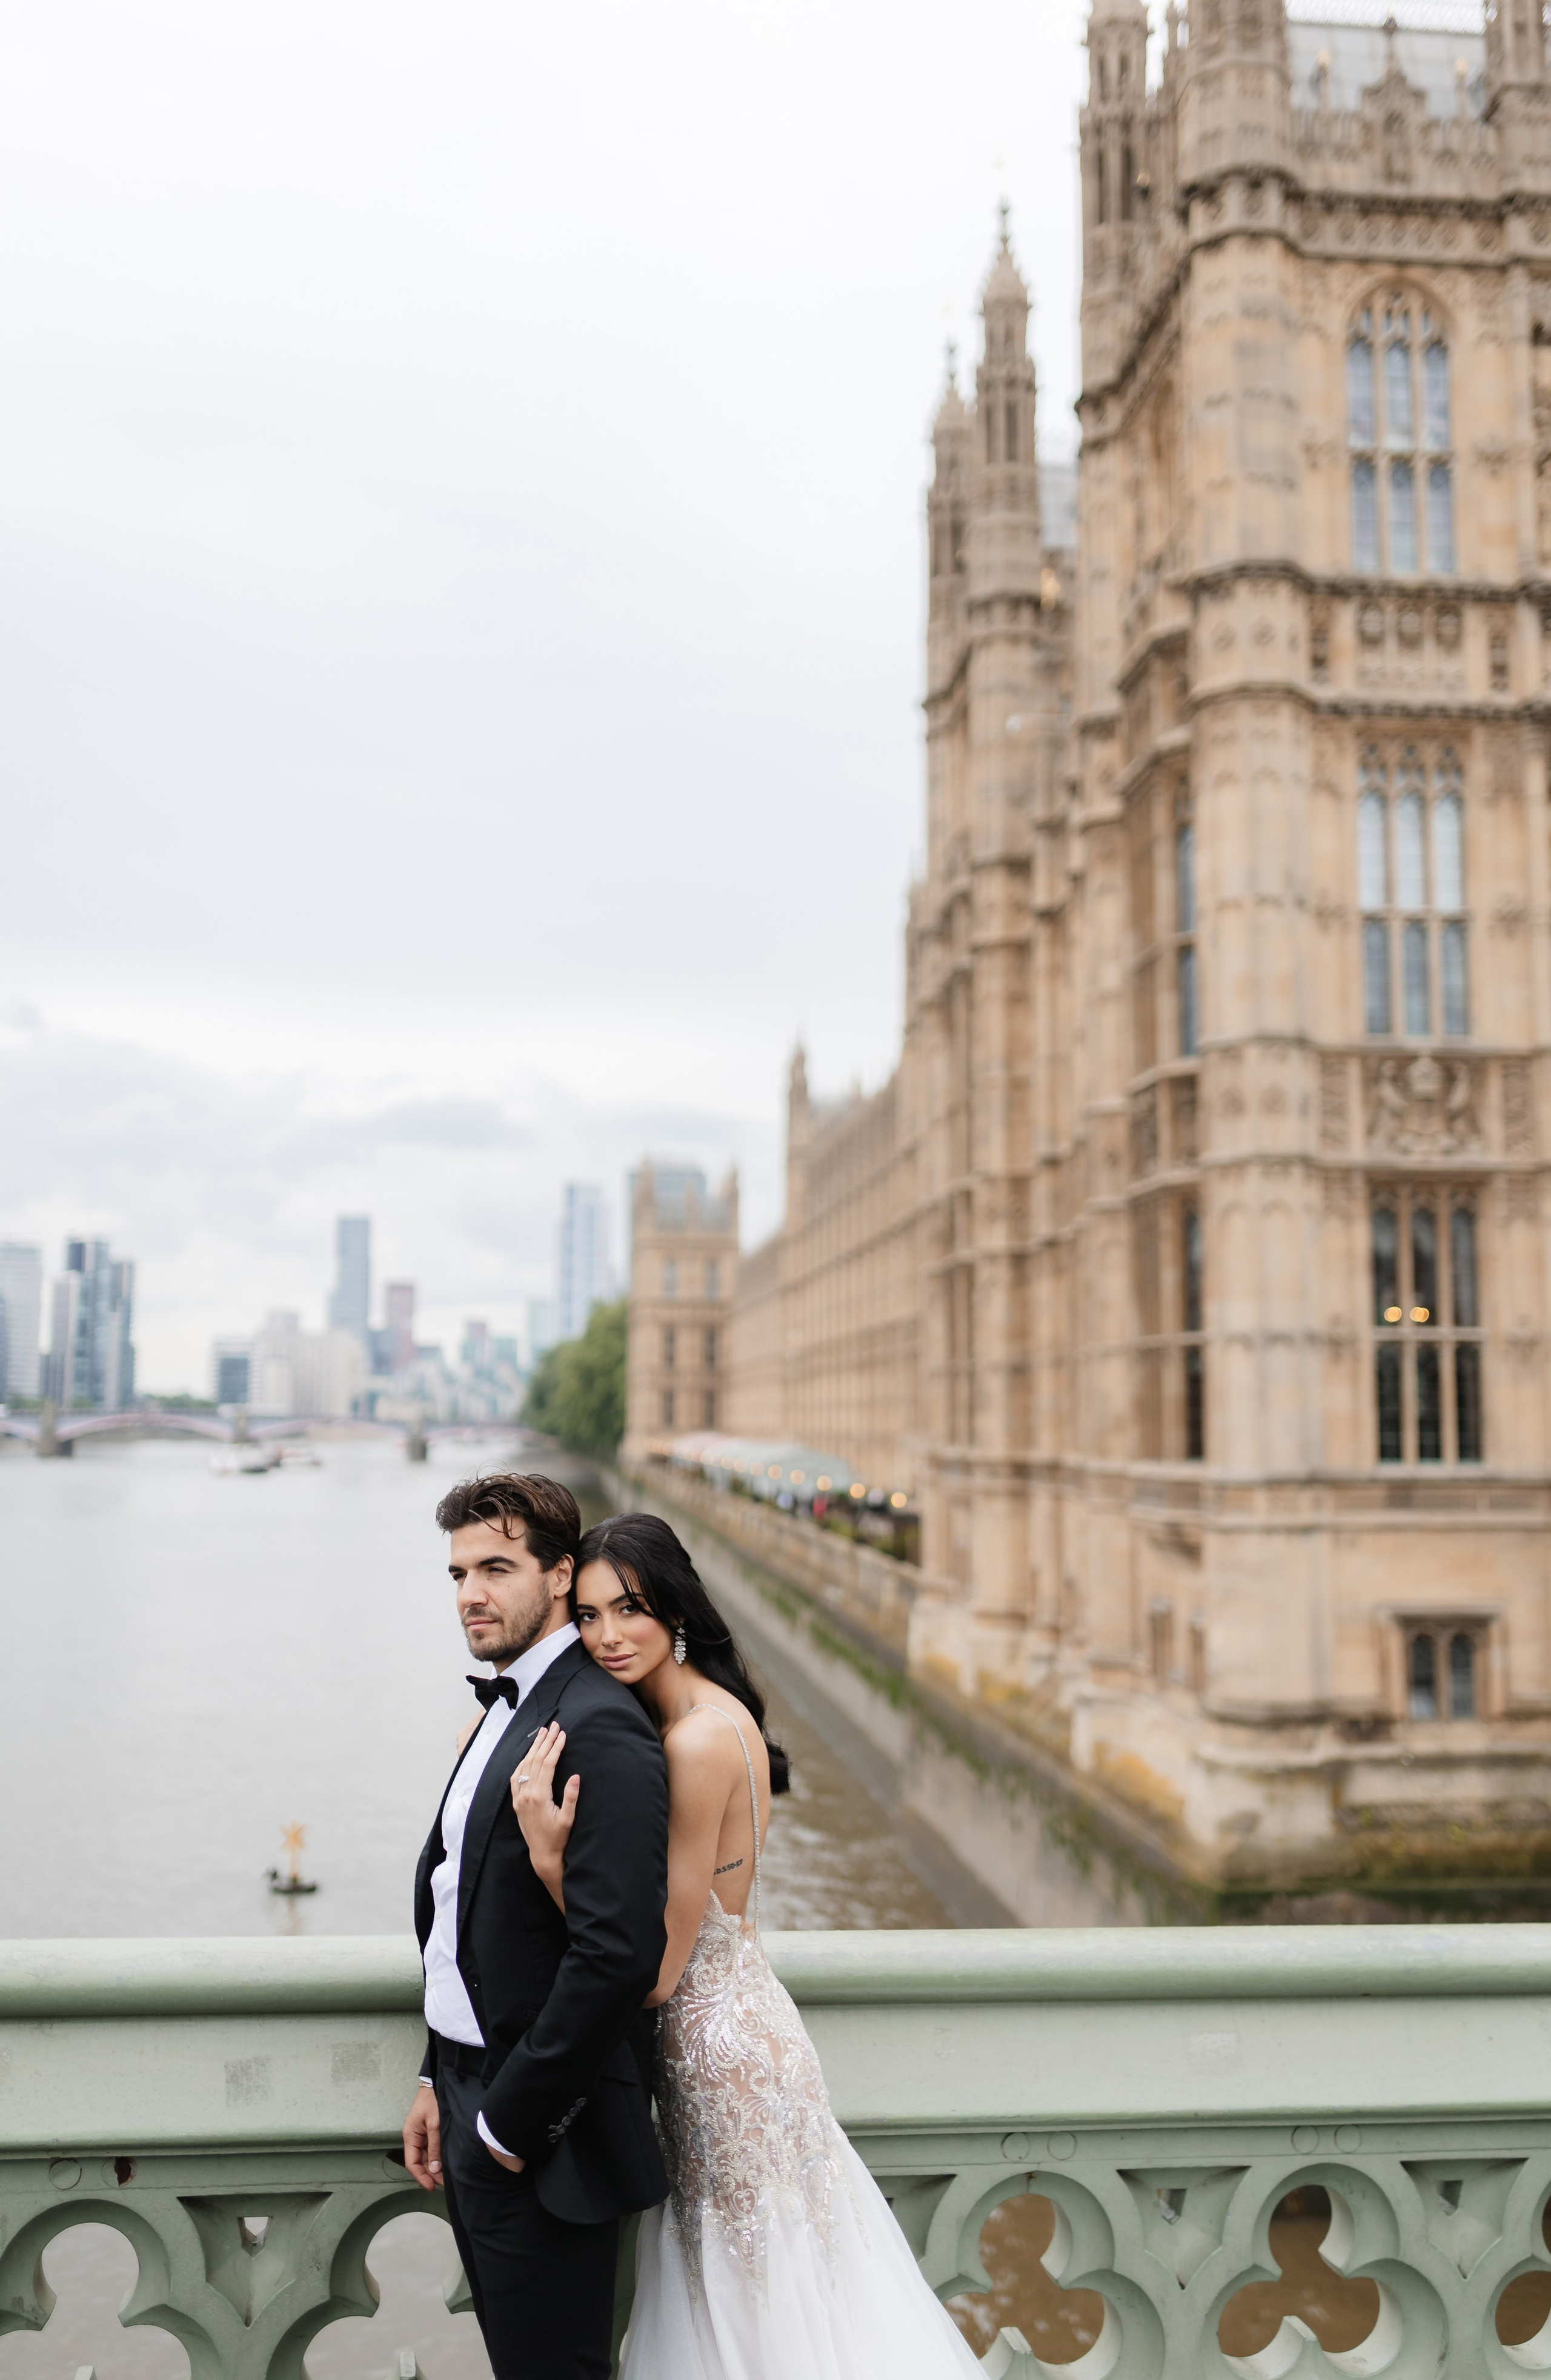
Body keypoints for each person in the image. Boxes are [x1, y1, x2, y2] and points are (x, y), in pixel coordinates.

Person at [512, 1510, 984, 2380]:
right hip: (753, 2025)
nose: (608, 1634)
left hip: (716, 2049)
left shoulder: (694, 1740)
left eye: (632, 1608)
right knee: (803, 2285)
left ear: (678, 1609)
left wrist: (549, 1859)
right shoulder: (718, 1713)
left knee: (756, 2302)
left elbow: (654, 1973)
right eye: (588, 1615)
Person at [401, 1474, 670, 2380]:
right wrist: (436, 2070)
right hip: (470, 2093)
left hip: (540, 2133)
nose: (470, 1592)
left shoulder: (599, 1724)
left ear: (560, 1574)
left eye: (496, 1567)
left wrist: (509, 2126)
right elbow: (458, 1908)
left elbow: (618, 1952)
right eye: (457, 1572)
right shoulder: (506, 1704)